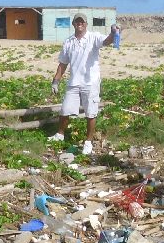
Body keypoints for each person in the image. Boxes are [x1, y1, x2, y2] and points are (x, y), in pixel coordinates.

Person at [50, 14, 118, 155]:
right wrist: (56, 81)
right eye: (77, 21)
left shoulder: (94, 37)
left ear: (86, 24)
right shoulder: (68, 42)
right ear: (73, 24)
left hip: (90, 82)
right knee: (65, 109)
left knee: (90, 113)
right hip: (74, 82)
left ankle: (88, 142)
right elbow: (63, 64)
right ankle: (60, 135)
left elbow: (107, 41)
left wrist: (113, 32)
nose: (79, 23)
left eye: (82, 21)